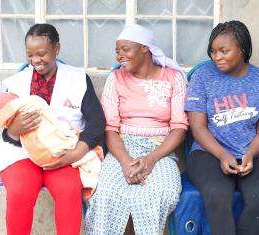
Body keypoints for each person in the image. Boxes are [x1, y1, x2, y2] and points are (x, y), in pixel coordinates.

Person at [0, 23, 105, 235]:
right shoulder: (13, 84)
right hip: (22, 154)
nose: (36, 60)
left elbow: (97, 121)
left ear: (57, 49)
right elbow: (5, 128)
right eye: (30, 54)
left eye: (42, 53)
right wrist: (13, 131)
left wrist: (77, 152)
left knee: (68, 190)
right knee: (19, 191)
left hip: (63, 154)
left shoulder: (78, 79)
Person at [85, 24, 188, 235]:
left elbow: (179, 128)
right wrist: (125, 163)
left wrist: (151, 159)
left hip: (161, 150)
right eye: (117, 51)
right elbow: (111, 128)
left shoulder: (172, 79)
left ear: (145, 48)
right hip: (121, 148)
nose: (119, 56)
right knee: (106, 195)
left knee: (158, 193)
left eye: (125, 49)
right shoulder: (116, 78)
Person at [185, 20, 259, 235]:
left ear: (243, 49)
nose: (217, 57)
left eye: (224, 51)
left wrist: (251, 153)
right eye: (213, 51)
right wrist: (222, 154)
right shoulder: (203, 77)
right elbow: (197, 127)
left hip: (251, 151)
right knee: (217, 197)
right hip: (208, 152)